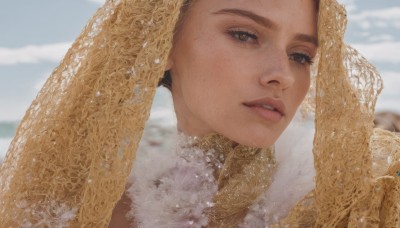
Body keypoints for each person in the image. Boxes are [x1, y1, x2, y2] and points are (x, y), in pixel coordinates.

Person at [0, 0, 399, 227]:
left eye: (301, 56)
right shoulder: (72, 208)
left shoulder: (358, 198)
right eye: (245, 34)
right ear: (164, 41)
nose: (283, 76)